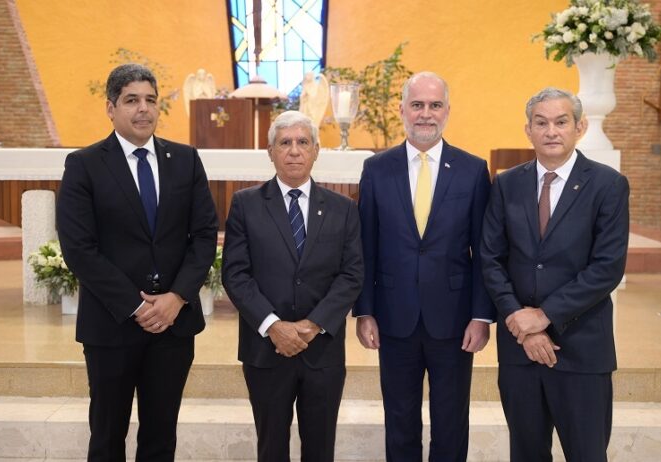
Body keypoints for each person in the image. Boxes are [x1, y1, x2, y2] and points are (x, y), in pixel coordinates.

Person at [56, 63, 219, 461]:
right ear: (110, 108)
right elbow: (79, 248)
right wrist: (136, 306)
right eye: (132, 100)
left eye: (150, 100)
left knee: (161, 440)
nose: (143, 109)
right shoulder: (84, 164)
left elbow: (204, 236)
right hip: (111, 325)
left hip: (174, 326)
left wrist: (177, 297)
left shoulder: (185, 159)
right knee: (107, 438)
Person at [481, 87, 629, 462]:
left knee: (587, 454)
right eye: (541, 123)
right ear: (528, 130)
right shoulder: (507, 184)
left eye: (561, 122)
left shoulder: (608, 185)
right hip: (519, 350)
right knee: (526, 453)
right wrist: (521, 322)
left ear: (579, 127)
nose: (551, 131)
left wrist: (544, 316)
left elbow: (607, 267)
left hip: (581, 349)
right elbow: (491, 258)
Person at [353, 71, 494, 462]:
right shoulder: (377, 169)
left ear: (447, 111)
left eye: (435, 105)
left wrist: (481, 315)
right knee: (400, 419)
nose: (426, 114)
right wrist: (365, 310)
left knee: (451, 420)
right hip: (393, 316)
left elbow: (484, 251)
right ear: (402, 110)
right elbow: (366, 245)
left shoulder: (472, 169)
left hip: (454, 319)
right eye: (417, 105)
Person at [221, 110, 364, 462]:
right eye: (285, 143)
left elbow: (352, 274)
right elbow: (236, 274)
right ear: (271, 152)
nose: (295, 151)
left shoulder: (343, 209)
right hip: (266, 350)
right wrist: (274, 326)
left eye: (303, 142)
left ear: (316, 150)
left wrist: (313, 325)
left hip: (322, 351)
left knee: (320, 449)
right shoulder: (246, 204)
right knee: (271, 448)